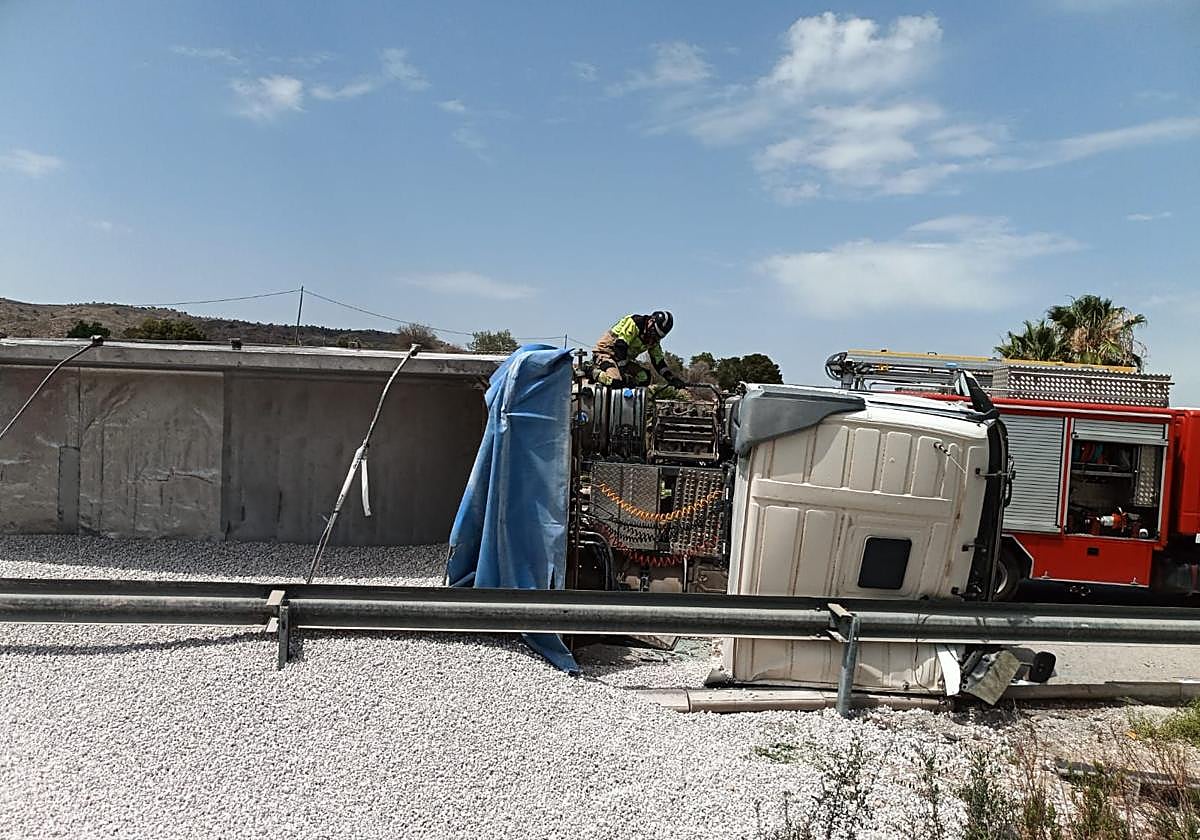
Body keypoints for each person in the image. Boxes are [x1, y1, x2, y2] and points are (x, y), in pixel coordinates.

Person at [592, 311, 686, 388]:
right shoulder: (635, 322)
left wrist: (671, 378)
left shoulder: (654, 340)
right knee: (616, 380)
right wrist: (623, 372)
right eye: (654, 332)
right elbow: (620, 346)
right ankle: (591, 372)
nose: (653, 338)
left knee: (644, 378)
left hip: (622, 360)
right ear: (651, 322)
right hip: (606, 353)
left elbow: (659, 362)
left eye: (658, 336)